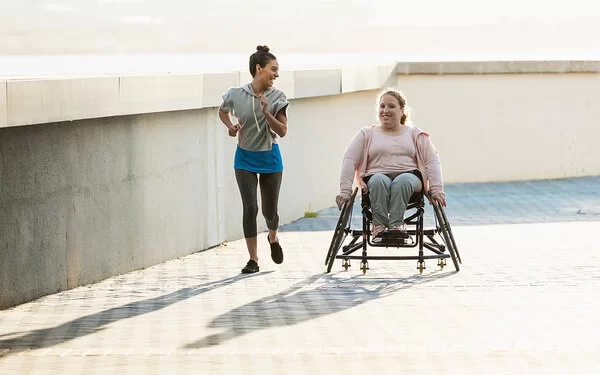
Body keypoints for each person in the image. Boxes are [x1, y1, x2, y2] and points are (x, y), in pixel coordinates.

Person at [335, 88, 446, 242]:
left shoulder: (415, 134)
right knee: (378, 180)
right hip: (375, 179)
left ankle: (396, 226)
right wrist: (345, 191)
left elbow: (432, 161)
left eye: (391, 106)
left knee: (403, 180)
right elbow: (349, 160)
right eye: (382, 106)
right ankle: (379, 227)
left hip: (410, 179)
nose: (385, 110)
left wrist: (436, 190)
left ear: (402, 110)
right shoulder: (366, 134)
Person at [218, 45, 290, 273]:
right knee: (250, 208)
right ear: (258, 68)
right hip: (244, 159)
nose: (277, 74)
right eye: (273, 69)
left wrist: (267, 112)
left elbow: (283, 131)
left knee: (270, 212)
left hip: (270, 158)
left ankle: (273, 238)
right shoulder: (235, 94)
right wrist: (231, 126)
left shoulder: (278, 96)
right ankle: (253, 260)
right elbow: (223, 111)